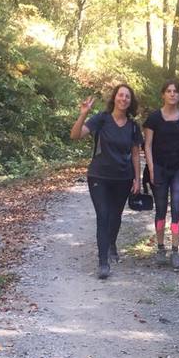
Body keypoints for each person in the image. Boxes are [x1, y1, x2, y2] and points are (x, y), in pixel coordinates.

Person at [70, 83, 143, 280]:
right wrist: (83, 113)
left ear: (130, 101)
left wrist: (138, 179)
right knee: (103, 215)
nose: (123, 99)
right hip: (99, 176)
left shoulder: (133, 126)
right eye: (121, 95)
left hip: (123, 177)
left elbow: (136, 154)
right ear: (115, 98)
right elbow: (75, 135)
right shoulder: (101, 120)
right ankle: (103, 261)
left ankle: (111, 243)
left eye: (127, 96)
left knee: (115, 215)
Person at [143, 79, 179, 269]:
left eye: (175, 91)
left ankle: (175, 250)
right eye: (169, 91)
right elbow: (147, 145)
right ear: (163, 94)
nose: (172, 94)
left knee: (176, 208)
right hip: (158, 167)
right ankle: (160, 248)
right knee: (160, 208)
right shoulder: (154, 118)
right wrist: (150, 168)